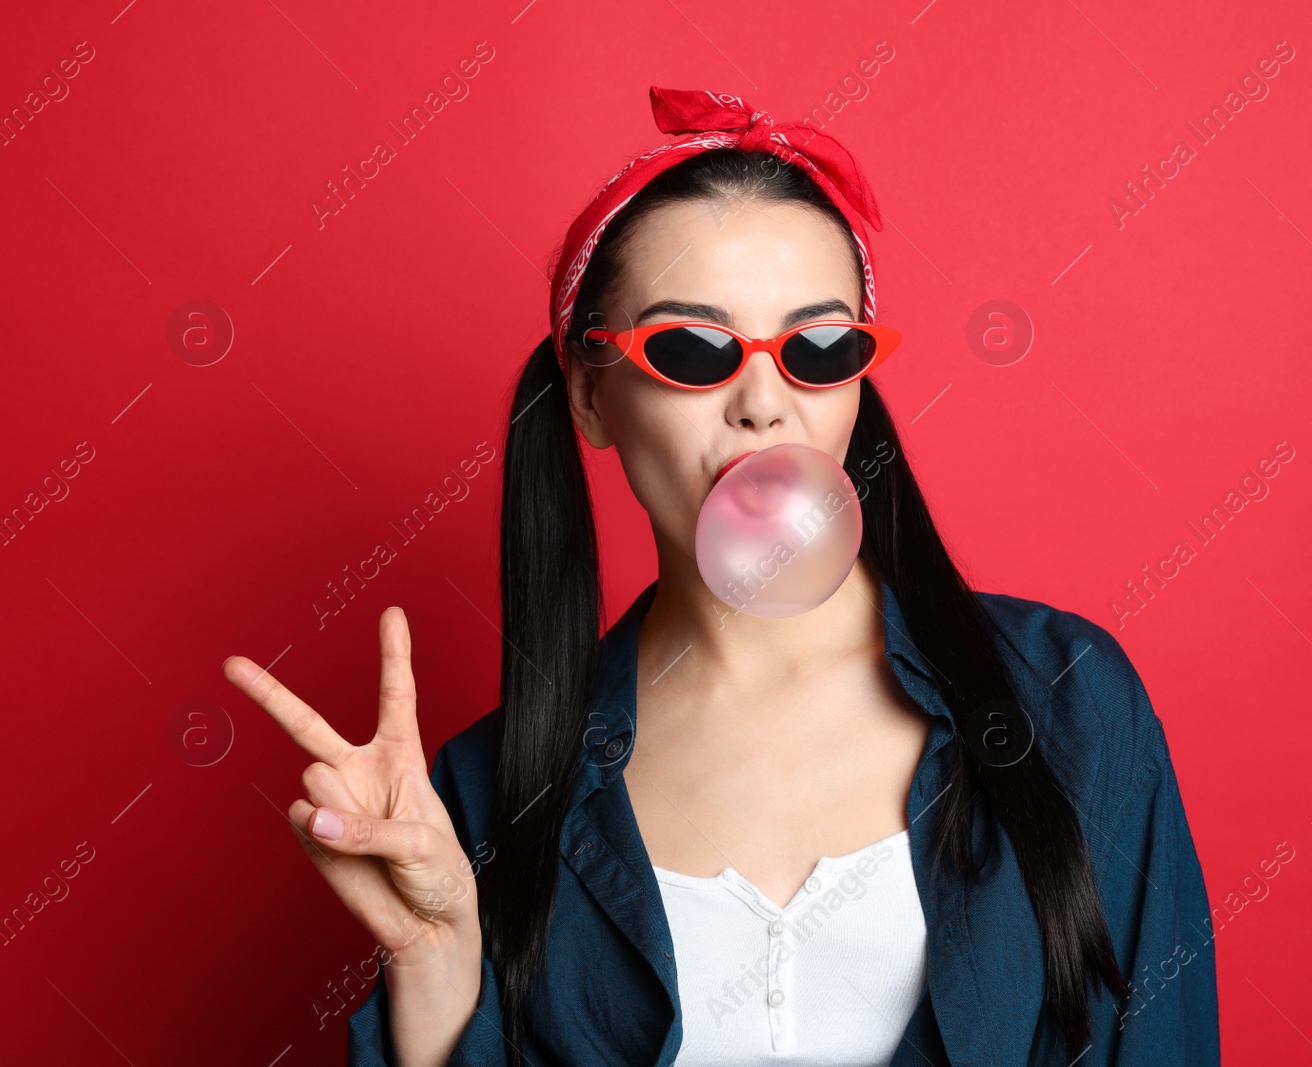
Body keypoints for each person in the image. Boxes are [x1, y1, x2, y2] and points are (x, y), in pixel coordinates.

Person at [223, 86, 1220, 1067]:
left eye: (817, 346)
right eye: (694, 348)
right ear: (591, 396)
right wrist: (436, 957)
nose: (762, 401)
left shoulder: (1065, 697)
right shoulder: (483, 801)